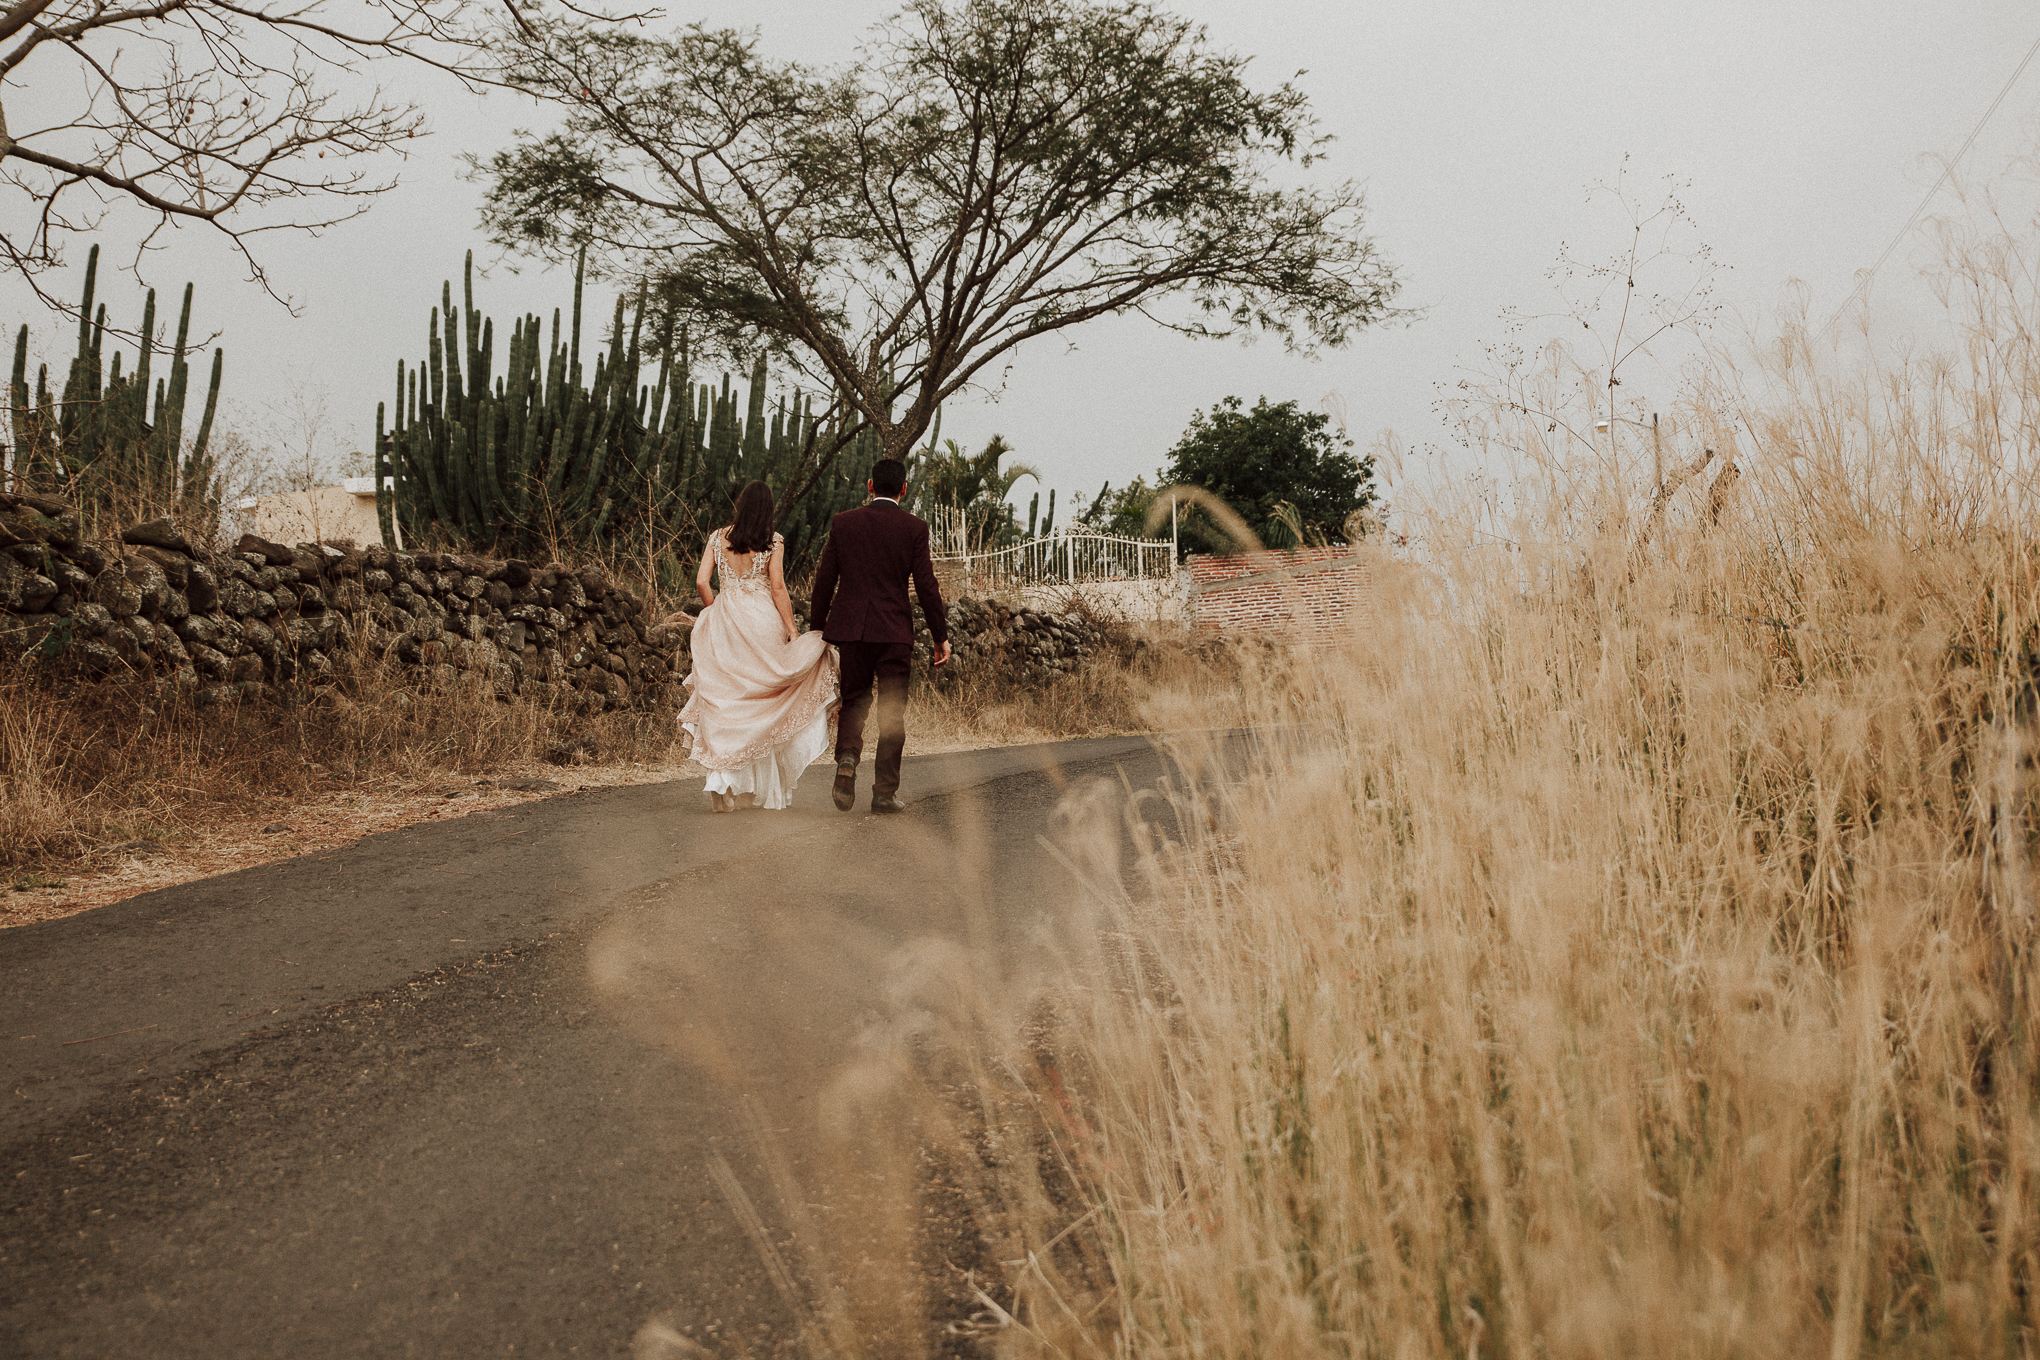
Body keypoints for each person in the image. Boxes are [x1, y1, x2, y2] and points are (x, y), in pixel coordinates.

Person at [678, 480, 839, 811]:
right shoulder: (772, 541)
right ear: (767, 509)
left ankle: (722, 782)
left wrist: (712, 610)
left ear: (740, 504)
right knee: (762, 701)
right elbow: (778, 587)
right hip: (761, 619)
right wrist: (793, 630)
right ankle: (749, 786)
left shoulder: (717, 537)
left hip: (725, 619)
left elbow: (700, 580)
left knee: (727, 700)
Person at [809, 457, 951, 814]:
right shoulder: (914, 528)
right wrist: (940, 636)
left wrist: (817, 629)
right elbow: (927, 586)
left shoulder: (844, 523)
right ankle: (884, 793)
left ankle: (846, 760)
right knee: (892, 710)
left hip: (852, 632)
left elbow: (825, 579)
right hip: (894, 632)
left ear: (870, 486)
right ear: (903, 489)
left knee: (854, 701)